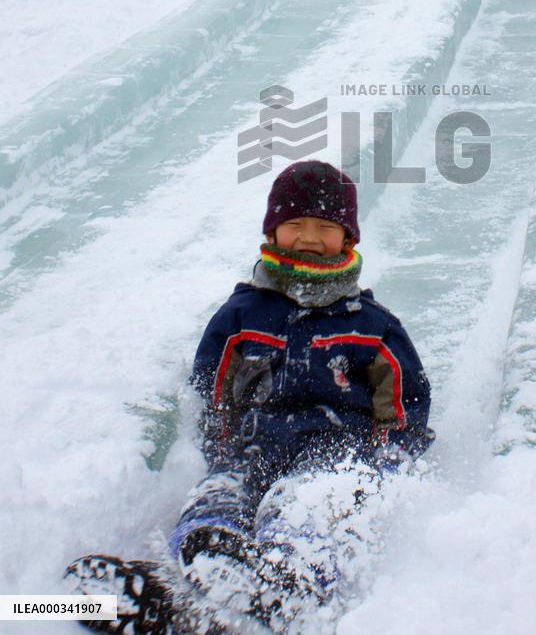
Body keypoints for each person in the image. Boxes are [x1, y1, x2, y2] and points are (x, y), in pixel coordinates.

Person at [65, 160, 433, 634]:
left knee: (305, 503)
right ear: (272, 231)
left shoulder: (371, 324)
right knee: (219, 494)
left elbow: (405, 401)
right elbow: (212, 387)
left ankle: (290, 581)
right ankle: (203, 567)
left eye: (325, 226)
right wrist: (221, 448)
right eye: (294, 224)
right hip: (255, 444)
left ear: (348, 239)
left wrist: (385, 461)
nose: (308, 236)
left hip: (335, 451)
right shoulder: (243, 313)